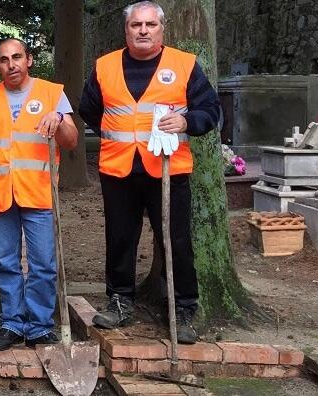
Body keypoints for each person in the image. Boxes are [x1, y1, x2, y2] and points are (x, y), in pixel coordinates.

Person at [79, 1, 220, 344]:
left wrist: (187, 121)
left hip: (168, 172)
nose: (143, 30)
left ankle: (184, 308)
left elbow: (211, 110)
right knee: (120, 238)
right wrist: (118, 134)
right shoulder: (105, 67)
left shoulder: (185, 66)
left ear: (162, 29)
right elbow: (89, 110)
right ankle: (119, 301)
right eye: (136, 25)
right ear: (125, 30)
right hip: (119, 169)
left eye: (150, 24)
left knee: (176, 240)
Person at [0, 38, 78, 351]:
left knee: (43, 264)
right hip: (1, 195)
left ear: (29, 60)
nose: (11, 64)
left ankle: (40, 326)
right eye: (4, 60)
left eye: (17, 57)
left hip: (39, 194)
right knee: (6, 263)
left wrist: (58, 121)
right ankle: (12, 323)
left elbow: (71, 141)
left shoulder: (52, 93)